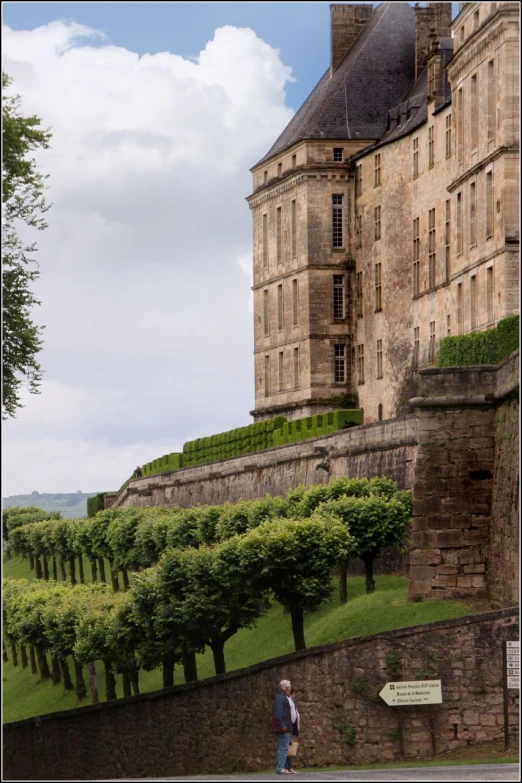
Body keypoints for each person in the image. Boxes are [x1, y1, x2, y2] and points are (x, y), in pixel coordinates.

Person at [271, 679, 293, 774]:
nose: (291, 687)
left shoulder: (286, 697)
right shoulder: (280, 698)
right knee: (283, 747)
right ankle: (280, 767)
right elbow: (278, 713)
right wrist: (283, 725)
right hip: (284, 727)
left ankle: (284, 767)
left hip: (288, 726)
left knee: (286, 747)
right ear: (287, 687)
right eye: (290, 685)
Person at [284, 687, 300, 774]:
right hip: (288, 727)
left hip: (292, 728)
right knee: (287, 748)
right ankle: (286, 767)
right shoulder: (288, 702)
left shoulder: (293, 703)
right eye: (293, 693)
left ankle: (289, 767)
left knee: (290, 748)